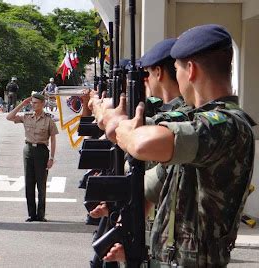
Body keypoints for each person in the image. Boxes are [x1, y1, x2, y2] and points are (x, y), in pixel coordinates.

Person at [104, 24, 255, 267]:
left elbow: (143, 143)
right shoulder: (198, 126)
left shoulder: (226, 124)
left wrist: (126, 128)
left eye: (177, 69)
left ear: (191, 70)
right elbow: (151, 185)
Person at [6, 92, 59, 222]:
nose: (33, 105)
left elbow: (53, 139)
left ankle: (41, 214)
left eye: (35, 103)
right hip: (28, 150)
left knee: (41, 185)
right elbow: (9, 117)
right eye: (32, 102)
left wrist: (51, 158)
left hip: (42, 151)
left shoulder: (48, 120)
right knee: (29, 183)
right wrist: (22, 104)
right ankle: (31, 214)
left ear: (42, 104)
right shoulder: (27, 117)